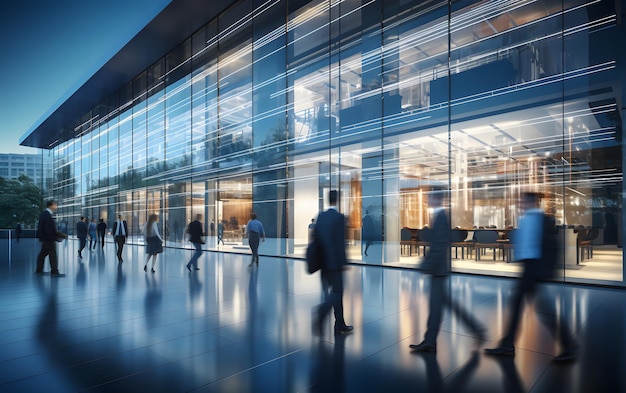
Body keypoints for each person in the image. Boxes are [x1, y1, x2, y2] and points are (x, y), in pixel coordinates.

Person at [485, 192, 579, 363]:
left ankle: (569, 346)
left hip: (535, 268)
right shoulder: (525, 219)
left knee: (542, 310)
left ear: (531, 202)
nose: (519, 203)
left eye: (522, 201)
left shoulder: (544, 220)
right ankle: (508, 344)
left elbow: (552, 247)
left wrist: (545, 271)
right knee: (520, 306)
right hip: (527, 267)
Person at [410, 191, 484, 352]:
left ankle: (432, 340)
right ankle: (433, 339)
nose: (427, 200)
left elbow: (439, 246)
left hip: (439, 269)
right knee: (441, 305)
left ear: (437, 199)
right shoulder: (439, 216)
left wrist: (426, 265)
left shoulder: (441, 217)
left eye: (430, 197)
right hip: (439, 269)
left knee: (438, 306)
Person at [311, 190, 353, 336]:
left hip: (322, 262)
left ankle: (339, 323)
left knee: (336, 292)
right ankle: (322, 310)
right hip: (335, 262)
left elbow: (315, 238)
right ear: (338, 200)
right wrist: (344, 262)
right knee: (337, 292)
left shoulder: (321, 216)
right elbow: (341, 242)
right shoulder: (339, 218)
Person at [35, 200, 67, 276]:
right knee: (52, 254)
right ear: (51, 205)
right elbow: (48, 229)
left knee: (42, 254)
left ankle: (39, 270)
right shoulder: (47, 215)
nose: (56, 206)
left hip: (45, 238)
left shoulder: (45, 214)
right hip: (48, 239)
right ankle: (54, 271)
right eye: (55, 205)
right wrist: (54, 238)